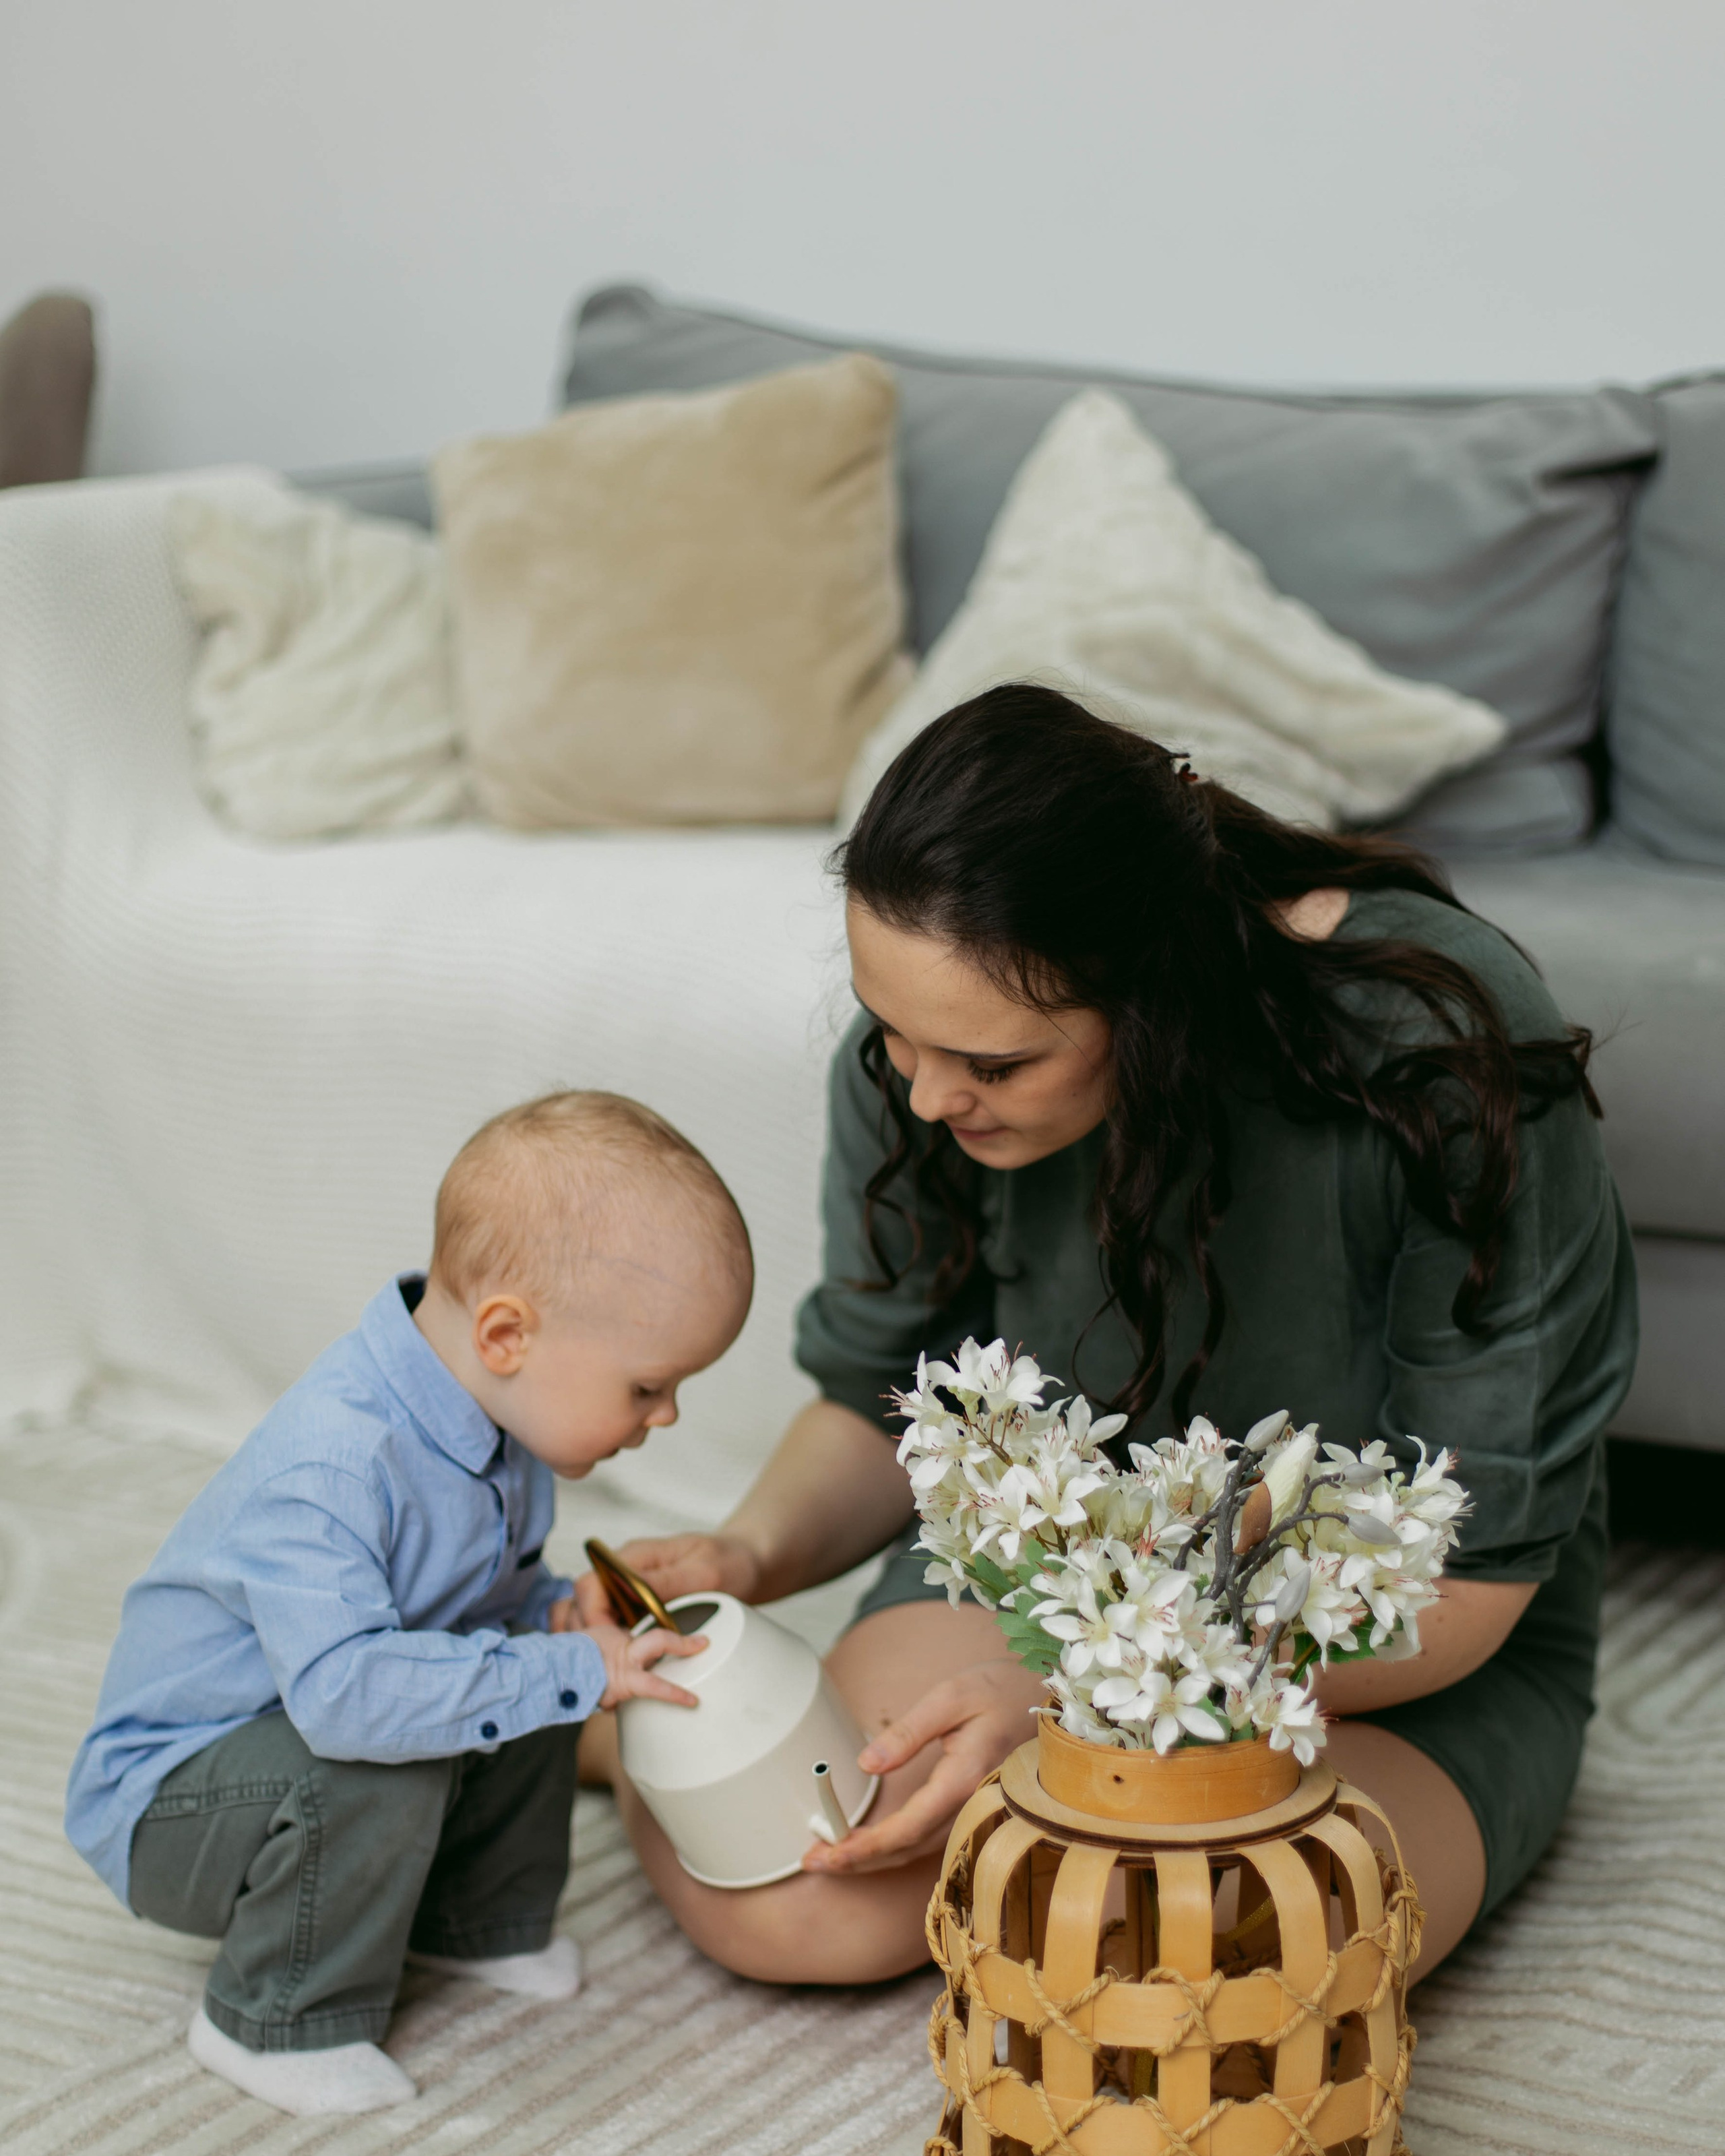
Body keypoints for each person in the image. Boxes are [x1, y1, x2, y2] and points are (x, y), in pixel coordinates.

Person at [579, 685, 1637, 1987]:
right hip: (1042, 1588)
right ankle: (605, 1733)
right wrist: (749, 1552)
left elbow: (1470, 1573)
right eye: (893, 1033)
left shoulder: (1437, 1044)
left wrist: (1075, 1706)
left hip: (1378, 1652)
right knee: (806, 1898)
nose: (925, 1093)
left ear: (1157, 995)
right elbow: (883, 1396)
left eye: (994, 1066)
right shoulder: (935, 1046)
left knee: (1200, 1959)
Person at [65, 1090, 753, 2114]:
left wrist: (560, 1619)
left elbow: (481, 1611)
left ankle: (474, 1920)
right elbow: (347, 1700)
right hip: (172, 1798)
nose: (667, 1416)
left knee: (537, 1675)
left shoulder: (502, 1428)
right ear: (508, 1334)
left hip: (308, 1727)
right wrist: (561, 1664)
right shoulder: (335, 1466)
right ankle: (273, 2018)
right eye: (647, 1387)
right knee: (398, 1745)